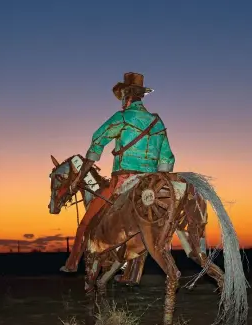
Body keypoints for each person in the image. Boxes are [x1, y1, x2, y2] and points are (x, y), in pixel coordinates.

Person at [60, 72, 175, 273]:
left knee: (86, 223)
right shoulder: (157, 122)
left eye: (122, 96)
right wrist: (159, 181)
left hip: (122, 181)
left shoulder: (121, 117)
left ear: (126, 96)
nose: (121, 100)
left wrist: (81, 175)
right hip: (151, 184)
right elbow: (167, 159)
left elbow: (97, 142)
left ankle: (72, 264)